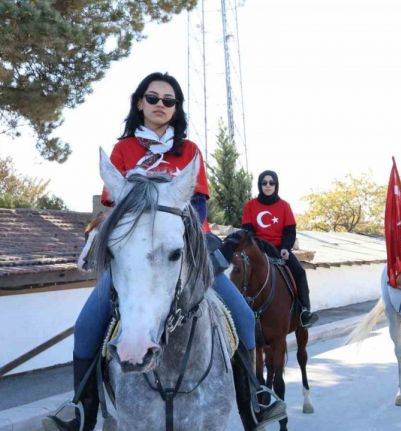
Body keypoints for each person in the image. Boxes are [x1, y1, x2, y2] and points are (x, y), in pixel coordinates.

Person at [43, 72, 283, 431]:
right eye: (152, 98)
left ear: (176, 108)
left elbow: (199, 206)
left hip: (187, 250)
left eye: (168, 100)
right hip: (133, 253)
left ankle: (254, 402)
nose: (160, 105)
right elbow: (113, 208)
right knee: (87, 324)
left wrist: (180, 231)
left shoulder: (189, 152)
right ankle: (81, 409)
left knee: (243, 318)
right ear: (139, 102)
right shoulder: (123, 150)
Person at [240, 170, 319, 327]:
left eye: (271, 183)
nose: (268, 186)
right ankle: (238, 312)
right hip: (258, 250)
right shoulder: (250, 206)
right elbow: (247, 231)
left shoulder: (284, 206)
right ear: (259, 185)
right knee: (239, 272)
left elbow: (290, 231)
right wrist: (256, 247)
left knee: (300, 272)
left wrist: (285, 248)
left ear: (276, 185)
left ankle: (304, 311)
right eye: (264, 183)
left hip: (279, 250)